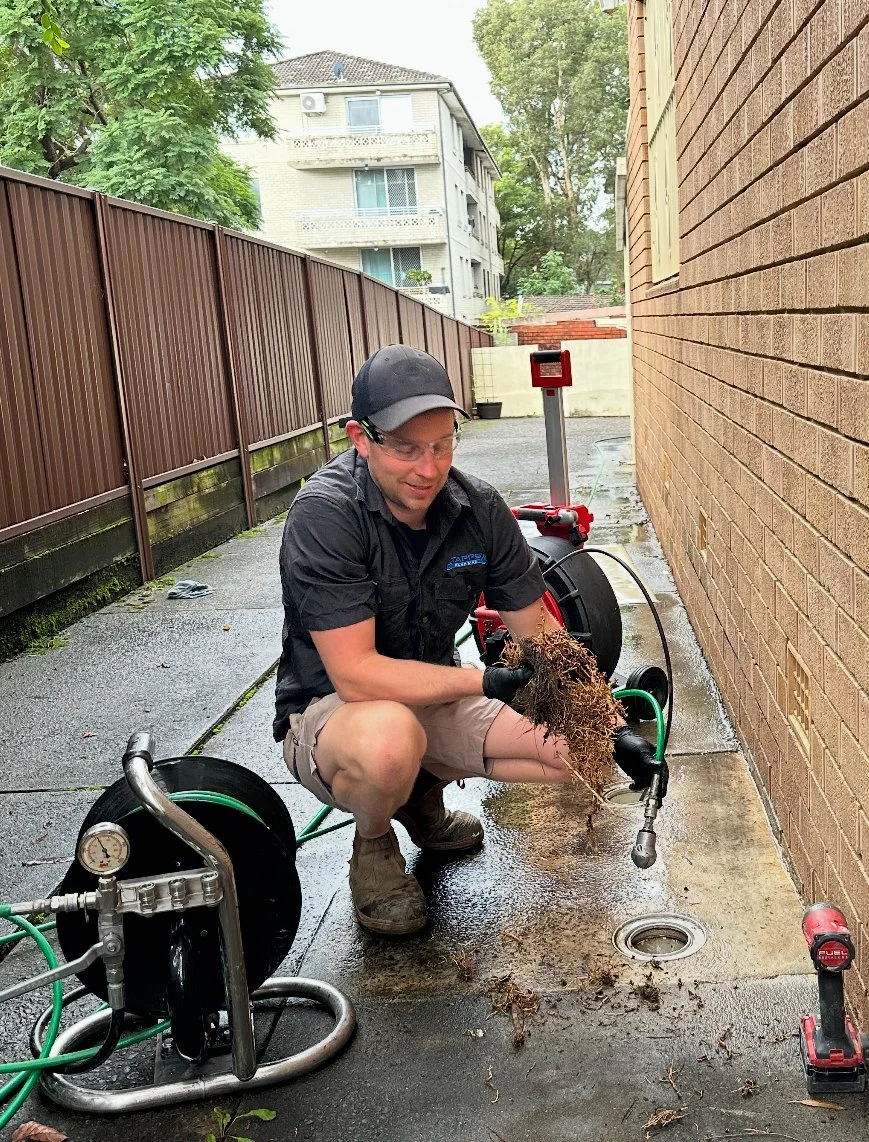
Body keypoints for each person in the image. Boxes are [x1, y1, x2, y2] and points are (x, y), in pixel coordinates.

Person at [274, 345, 659, 936]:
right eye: (405, 448)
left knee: (574, 753)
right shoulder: (326, 516)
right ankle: (374, 845)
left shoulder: (476, 508)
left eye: (442, 444)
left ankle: (420, 801)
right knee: (389, 741)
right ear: (360, 438)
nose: (428, 469)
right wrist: (482, 681)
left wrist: (611, 728)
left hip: (432, 697)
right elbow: (357, 675)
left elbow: (542, 634)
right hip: (336, 714)